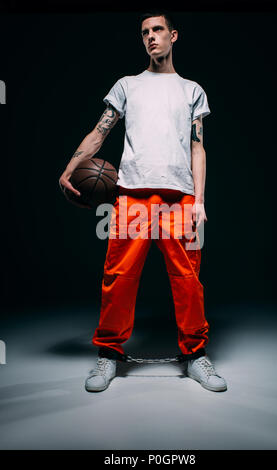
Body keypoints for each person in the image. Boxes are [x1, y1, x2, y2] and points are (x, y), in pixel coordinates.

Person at [59, 10, 227, 393]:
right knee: (118, 279)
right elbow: (99, 132)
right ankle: (109, 354)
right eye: (144, 32)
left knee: (188, 281)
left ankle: (196, 355)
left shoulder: (191, 90)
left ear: (173, 36)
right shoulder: (127, 85)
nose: (151, 37)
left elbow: (197, 148)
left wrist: (200, 199)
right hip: (132, 197)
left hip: (180, 199)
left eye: (157, 30)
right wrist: (70, 168)